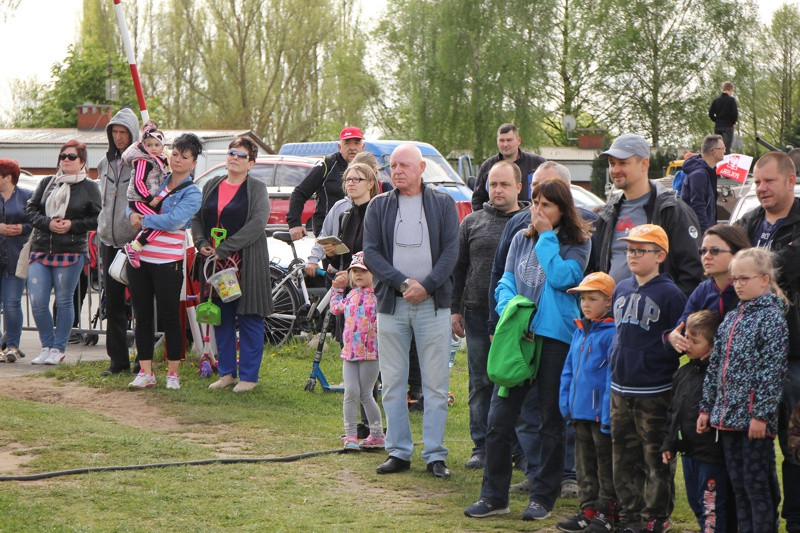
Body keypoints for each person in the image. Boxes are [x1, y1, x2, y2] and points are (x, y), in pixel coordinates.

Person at [464, 178, 590, 521]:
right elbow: (505, 280)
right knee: (499, 419)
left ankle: (542, 498)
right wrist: (511, 309)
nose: (537, 210)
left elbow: (563, 278)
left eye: (546, 205)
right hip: (518, 337)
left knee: (550, 421)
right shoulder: (520, 238)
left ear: (562, 210)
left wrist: (547, 236)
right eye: (535, 202)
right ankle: (494, 497)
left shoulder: (578, 243)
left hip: (553, 340)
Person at [363, 143, 459, 479]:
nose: (397, 171)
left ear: (421, 167)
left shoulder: (444, 204)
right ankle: (399, 452)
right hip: (392, 305)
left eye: (404, 165)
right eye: (392, 166)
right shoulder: (378, 206)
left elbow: (451, 251)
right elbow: (371, 254)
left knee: (435, 384)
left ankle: (435, 454)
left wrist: (427, 285)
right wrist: (404, 284)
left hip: (432, 306)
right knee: (392, 382)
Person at [698, 247, 789, 532]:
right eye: (734, 279)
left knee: (757, 487)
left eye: (744, 279)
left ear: (764, 280)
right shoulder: (732, 318)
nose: (737, 285)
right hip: (727, 420)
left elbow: (772, 371)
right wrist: (706, 407)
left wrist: (760, 415)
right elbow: (715, 366)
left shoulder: (772, 318)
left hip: (754, 423)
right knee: (738, 486)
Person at [734, 151, 800, 532]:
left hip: (794, 352)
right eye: (757, 182)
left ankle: (796, 518)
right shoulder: (748, 221)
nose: (760, 188)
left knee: (795, 444)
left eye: (768, 181)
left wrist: (746, 266)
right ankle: (758, 521)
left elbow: (786, 267)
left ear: (790, 181)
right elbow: (727, 266)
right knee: (752, 442)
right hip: (749, 355)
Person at [609, 224, 686, 533]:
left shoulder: (670, 294)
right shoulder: (621, 287)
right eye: (629, 249)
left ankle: (655, 517)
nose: (632, 255)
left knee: (655, 457)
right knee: (623, 456)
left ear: (660, 256)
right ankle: (629, 515)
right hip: (619, 387)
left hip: (654, 389)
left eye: (640, 250)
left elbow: (678, 339)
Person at [451, 160, 525, 470]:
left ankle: (519, 448)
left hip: (519, 320)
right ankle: (481, 446)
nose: (497, 190)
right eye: (493, 184)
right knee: (480, 382)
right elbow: (458, 270)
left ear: (519, 187)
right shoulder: (471, 222)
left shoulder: (529, 222)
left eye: (504, 184)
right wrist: (455, 310)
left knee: (517, 383)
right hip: (478, 315)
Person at [192, 137, 272, 393]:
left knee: (249, 316)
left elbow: (258, 223)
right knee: (222, 317)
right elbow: (198, 217)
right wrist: (200, 241)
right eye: (231, 153)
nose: (234, 157)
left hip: (246, 262)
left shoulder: (256, 188)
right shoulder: (213, 184)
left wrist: (225, 248)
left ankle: (249, 376)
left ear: (251, 163)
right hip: (216, 264)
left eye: (241, 155)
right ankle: (226, 373)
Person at [127, 133, 202, 390]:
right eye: (175, 154)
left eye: (184, 157)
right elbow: (134, 200)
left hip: (169, 261)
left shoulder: (192, 193)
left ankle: (173, 372)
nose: (177, 160)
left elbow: (175, 221)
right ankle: (145, 370)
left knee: (171, 317)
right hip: (140, 258)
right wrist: (132, 215)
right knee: (142, 316)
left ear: (193, 163)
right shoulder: (156, 177)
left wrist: (144, 219)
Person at [595, 134, 703, 296]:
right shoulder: (608, 212)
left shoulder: (671, 210)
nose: (615, 170)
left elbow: (693, 271)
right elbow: (599, 266)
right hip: (614, 316)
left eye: (623, 163)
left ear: (644, 163)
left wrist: (668, 309)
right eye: (612, 163)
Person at [26, 140, 101, 365]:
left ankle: (58, 349)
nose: (65, 161)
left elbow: (97, 218)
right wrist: (48, 223)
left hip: (71, 251)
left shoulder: (89, 187)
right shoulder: (48, 183)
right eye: (62, 157)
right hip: (41, 248)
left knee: (64, 300)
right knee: (38, 301)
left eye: (71, 157)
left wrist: (71, 225)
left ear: (82, 162)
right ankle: (47, 345)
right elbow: (30, 209)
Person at [556, 272, 618, 533]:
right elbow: (569, 368)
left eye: (593, 298)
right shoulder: (580, 331)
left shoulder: (612, 333)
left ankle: (607, 512)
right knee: (583, 464)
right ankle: (587, 508)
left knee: (604, 465)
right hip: (578, 412)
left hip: (599, 417)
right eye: (583, 299)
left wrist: (606, 415)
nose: (586, 304)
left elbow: (609, 378)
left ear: (609, 301)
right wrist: (565, 402)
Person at [661, 310, 730, 533]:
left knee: (711, 506)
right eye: (687, 338)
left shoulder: (719, 375)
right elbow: (673, 412)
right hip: (688, 452)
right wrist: (669, 443)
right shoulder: (683, 373)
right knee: (695, 501)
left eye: (695, 341)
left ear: (712, 346)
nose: (687, 344)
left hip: (711, 455)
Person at [96, 107, 139, 376]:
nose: (119, 137)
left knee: (140, 304)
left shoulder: (140, 164)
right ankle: (118, 362)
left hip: (134, 243)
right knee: (113, 304)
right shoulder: (103, 163)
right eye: (115, 132)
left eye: (124, 132)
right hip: (108, 241)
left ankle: (142, 361)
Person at [666, 224, 751, 355]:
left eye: (715, 251)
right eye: (703, 251)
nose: (707, 256)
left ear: (737, 254)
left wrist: (716, 350)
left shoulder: (750, 289)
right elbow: (682, 328)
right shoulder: (702, 290)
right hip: (704, 370)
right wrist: (672, 337)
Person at [330, 251, 384, 449]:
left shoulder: (379, 297)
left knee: (366, 394)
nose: (358, 275)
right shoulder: (351, 294)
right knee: (350, 392)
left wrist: (382, 324)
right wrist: (336, 289)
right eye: (354, 271)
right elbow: (336, 308)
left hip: (370, 354)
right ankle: (351, 434)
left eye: (363, 270)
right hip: (350, 353)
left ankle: (377, 434)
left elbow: (386, 318)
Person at [287, 126, 364, 240]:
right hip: (328, 231)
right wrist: (294, 223)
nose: (352, 147)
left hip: (358, 230)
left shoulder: (368, 167)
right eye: (347, 143)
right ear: (339, 147)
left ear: (363, 146)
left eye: (356, 143)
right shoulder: (327, 164)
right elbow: (299, 192)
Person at [305, 163, 380, 276]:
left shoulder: (378, 214)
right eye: (347, 179)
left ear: (370, 184)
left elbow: (380, 256)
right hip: (347, 285)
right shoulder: (345, 215)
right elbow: (343, 260)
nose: (350, 183)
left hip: (371, 286)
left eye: (356, 179)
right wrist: (331, 254)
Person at [122, 121, 170, 268]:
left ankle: (136, 246)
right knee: (157, 223)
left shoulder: (159, 161)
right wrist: (150, 199)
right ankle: (134, 247)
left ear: (162, 146)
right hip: (138, 200)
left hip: (147, 200)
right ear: (144, 146)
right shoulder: (143, 160)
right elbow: (138, 183)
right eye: (149, 145)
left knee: (156, 224)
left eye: (156, 145)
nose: (153, 149)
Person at [471, 123, 546, 211]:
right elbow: (477, 199)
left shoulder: (538, 164)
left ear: (518, 141)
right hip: (495, 220)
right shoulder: (487, 166)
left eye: (509, 140)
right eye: (501, 140)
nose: (505, 144)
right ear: (497, 141)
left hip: (530, 219)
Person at [0, 159, 32, 363]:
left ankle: (12, 346)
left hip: (17, 256)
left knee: (12, 302)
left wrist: (22, 228)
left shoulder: (27, 196)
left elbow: (37, 221)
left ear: (8, 177)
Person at [680, 135, 724, 234]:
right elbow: (698, 205)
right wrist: (706, 233)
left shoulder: (709, 171)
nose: (725, 151)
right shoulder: (699, 174)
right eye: (723, 148)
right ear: (714, 152)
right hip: (697, 233)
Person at [708, 81, 738, 154]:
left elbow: (710, 113)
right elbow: (734, 113)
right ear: (731, 89)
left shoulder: (716, 101)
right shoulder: (731, 100)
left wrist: (716, 120)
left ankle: (717, 164)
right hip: (728, 126)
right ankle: (725, 164)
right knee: (726, 148)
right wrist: (733, 122)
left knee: (718, 148)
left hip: (718, 127)